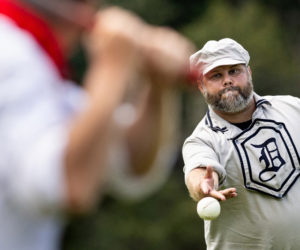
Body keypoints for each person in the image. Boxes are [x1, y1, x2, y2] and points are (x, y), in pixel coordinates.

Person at [0, 0, 195, 249]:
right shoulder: (10, 55)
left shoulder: (40, 72)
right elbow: (69, 184)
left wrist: (155, 85)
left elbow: (127, 157)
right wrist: (113, 67)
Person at [182, 38, 300, 250]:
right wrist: (204, 186)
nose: (227, 80)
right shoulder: (202, 139)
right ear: (200, 85)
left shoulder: (293, 108)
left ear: (249, 73)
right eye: (216, 75)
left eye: (234, 71)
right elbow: (198, 170)